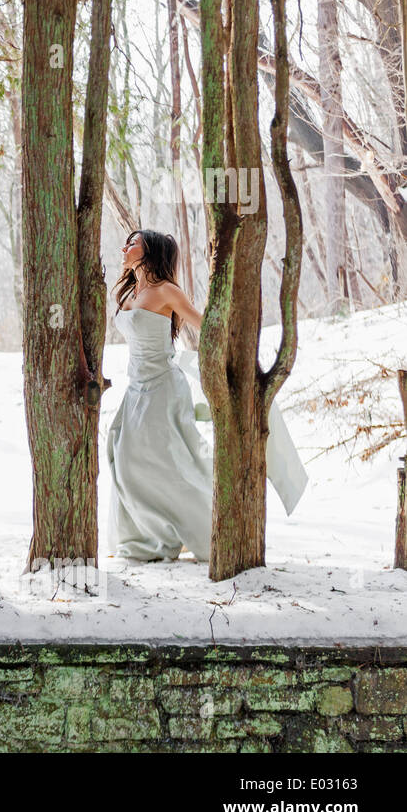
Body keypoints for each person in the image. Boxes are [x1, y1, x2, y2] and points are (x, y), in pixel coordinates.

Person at [105, 229, 308, 563]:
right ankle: (147, 537)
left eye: (133, 243)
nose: (124, 247)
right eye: (126, 241)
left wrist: (236, 354)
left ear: (150, 251)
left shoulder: (166, 291)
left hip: (163, 388)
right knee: (123, 460)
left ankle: (207, 529)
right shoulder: (128, 292)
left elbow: (207, 325)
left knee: (162, 464)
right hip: (136, 388)